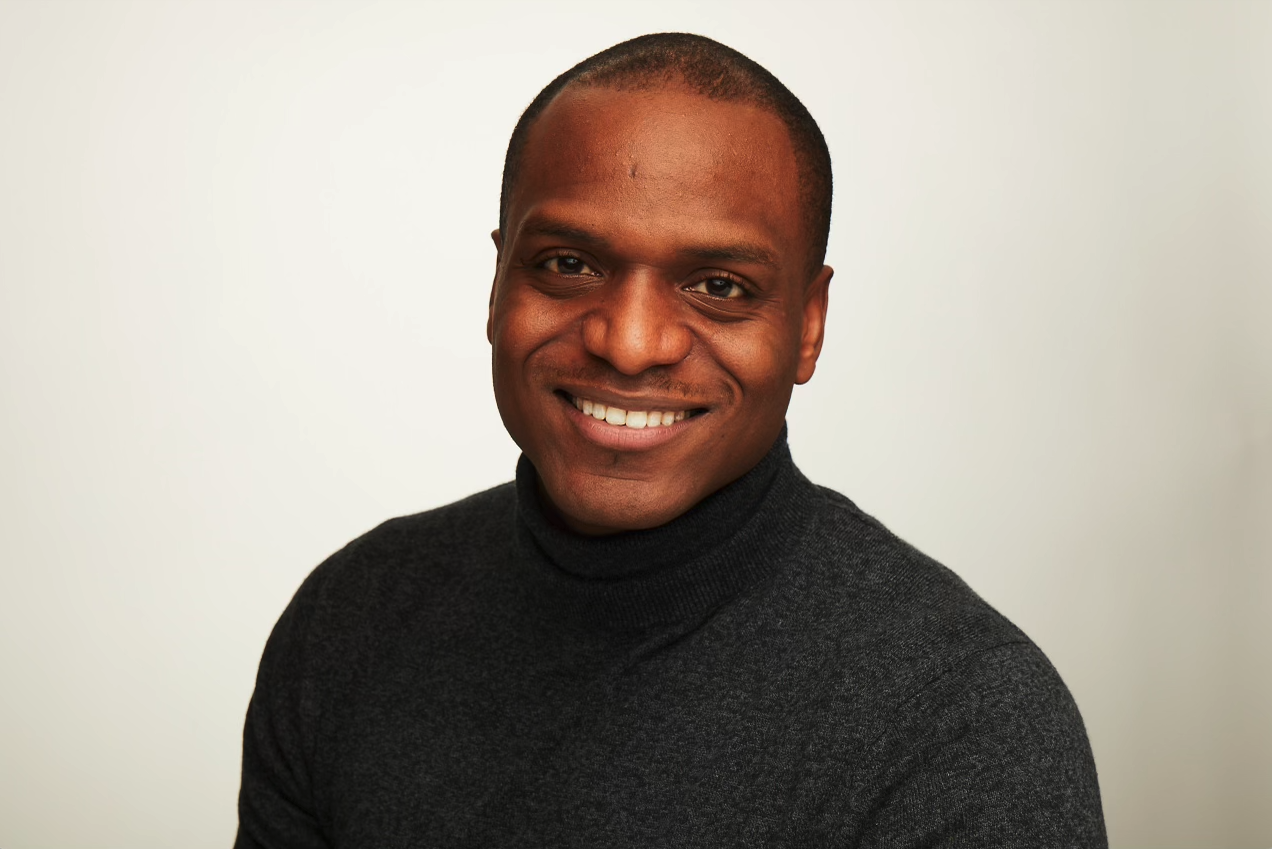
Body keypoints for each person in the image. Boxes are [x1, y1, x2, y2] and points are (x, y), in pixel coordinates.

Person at [235, 33, 1107, 848]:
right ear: (498, 284)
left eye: (719, 285)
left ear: (808, 325)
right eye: (568, 264)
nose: (629, 342)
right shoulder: (352, 621)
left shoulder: (960, 722)